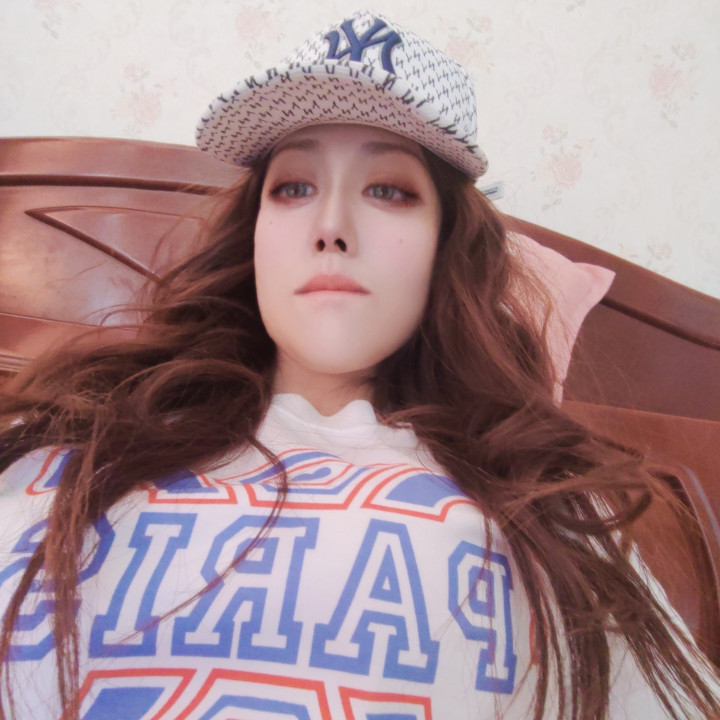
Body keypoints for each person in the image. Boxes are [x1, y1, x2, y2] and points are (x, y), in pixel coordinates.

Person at [0, 9, 718, 720]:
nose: (331, 227)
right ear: (255, 235)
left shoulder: (548, 501)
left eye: (389, 190)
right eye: (293, 186)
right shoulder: (67, 437)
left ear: (444, 245)